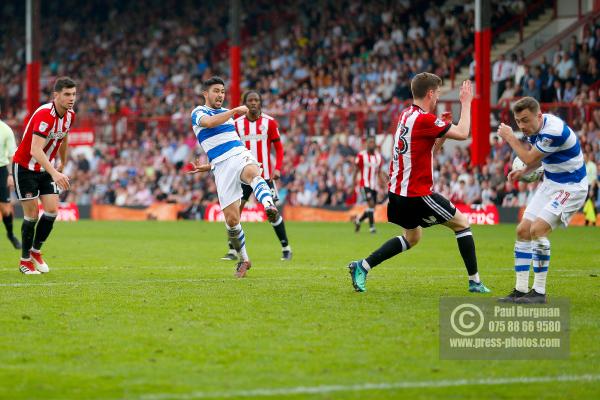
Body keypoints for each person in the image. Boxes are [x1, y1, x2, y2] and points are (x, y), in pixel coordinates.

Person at [347, 73, 491, 293]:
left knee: (413, 237)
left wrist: (441, 133)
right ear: (431, 93)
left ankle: (362, 266)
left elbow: (430, 151)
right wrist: (466, 103)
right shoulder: (425, 119)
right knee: (462, 224)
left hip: (397, 195)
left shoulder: (406, 116)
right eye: (439, 93)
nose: (438, 98)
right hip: (416, 194)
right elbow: (463, 133)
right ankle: (475, 282)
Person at [497, 97, 588, 303]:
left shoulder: (553, 130)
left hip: (571, 187)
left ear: (539, 116)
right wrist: (525, 173)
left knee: (537, 230)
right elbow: (540, 160)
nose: (522, 126)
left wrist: (511, 138)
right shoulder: (535, 129)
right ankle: (520, 290)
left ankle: (538, 292)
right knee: (522, 231)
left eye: (525, 120)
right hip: (551, 183)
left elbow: (529, 158)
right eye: (518, 121)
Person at [189, 77, 279, 278]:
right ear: (206, 93)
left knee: (253, 172)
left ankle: (269, 206)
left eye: (222, 91)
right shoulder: (199, 112)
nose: (220, 95)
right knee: (231, 221)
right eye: (216, 91)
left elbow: (229, 144)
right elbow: (210, 124)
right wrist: (208, 166)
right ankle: (245, 260)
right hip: (220, 168)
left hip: (239, 154)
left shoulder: (227, 115)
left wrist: (231, 113)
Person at [12, 77, 75, 274]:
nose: (71, 98)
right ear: (56, 95)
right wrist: (55, 172)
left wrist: (63, 161)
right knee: (31, 215)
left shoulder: (70, 115)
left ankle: (35, 251)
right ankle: (24, 261)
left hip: (46, 169)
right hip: (25, 168)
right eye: (66, 94)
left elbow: (63, 137)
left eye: (73, 94)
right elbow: (35, 150)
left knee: (51, 212)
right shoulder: (45, 115)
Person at [221, 90, 292, 261]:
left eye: (256, 100)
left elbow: (279, 148)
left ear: (260, 103)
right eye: (250, 100)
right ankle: (232, 250)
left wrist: (278, 168)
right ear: (245, 104)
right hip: (242, 175)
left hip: (265, 176)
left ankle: (286, 248)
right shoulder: (236, 124)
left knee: (273, 212)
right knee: (235, 212)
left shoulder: (270, 122)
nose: (253, 103)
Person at [352, 135, 386, 234]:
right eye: (369, 142)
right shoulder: (361, 155)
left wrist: (383, 182)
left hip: (374, 185)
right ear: (366, 144)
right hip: (364, 184)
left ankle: (358, 221)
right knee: (371, 204)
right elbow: (356, 170)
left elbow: (379, 172)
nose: (371, 144)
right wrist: (353, 185)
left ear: (375, 144)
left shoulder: (378, 157)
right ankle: (372, 228)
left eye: (372, 142)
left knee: (372, 208)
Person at [0, 115, 21, 249]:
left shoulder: (6, 130)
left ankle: (10, 234)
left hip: (1, 170)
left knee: (6, 209)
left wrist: (11, 174)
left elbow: (12, 155)